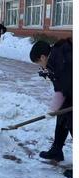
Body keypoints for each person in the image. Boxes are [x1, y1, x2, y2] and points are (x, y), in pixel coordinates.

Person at [29, 39, 72, 169]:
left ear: (43, 57)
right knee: (63, 117)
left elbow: (61, 90)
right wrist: (54, 110)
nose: (41, 67)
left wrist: (51, 110)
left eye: (39, 63)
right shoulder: (55, 60)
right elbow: (63, 89)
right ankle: (57, 150)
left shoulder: (63, 61)